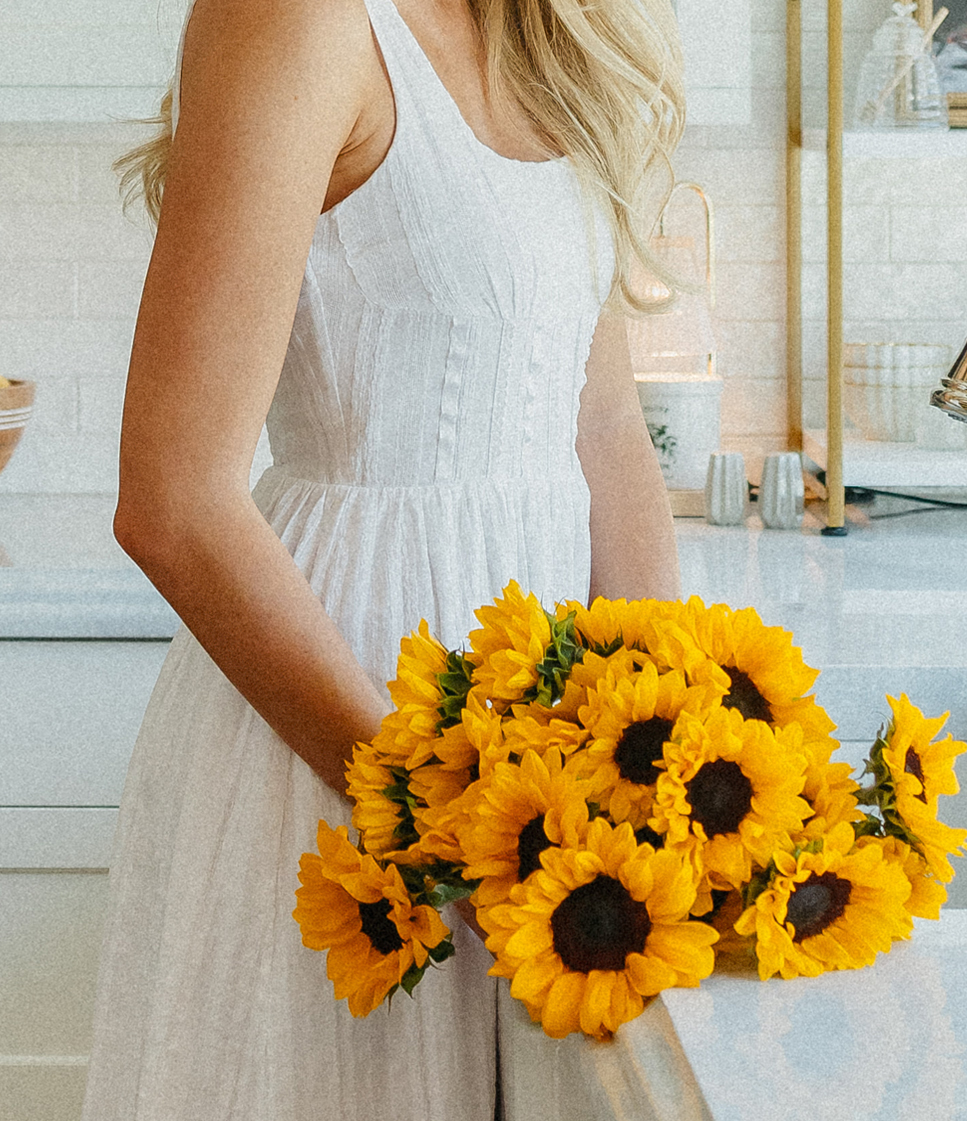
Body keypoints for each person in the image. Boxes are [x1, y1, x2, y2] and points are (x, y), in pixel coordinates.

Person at [79, 0, 689, 1110]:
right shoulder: (296, 21)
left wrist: (652, 750)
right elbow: (173, 502)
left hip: (536, 765)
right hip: (344, 734)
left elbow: (599, 430)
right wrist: (442, 818)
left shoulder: (546, 36)